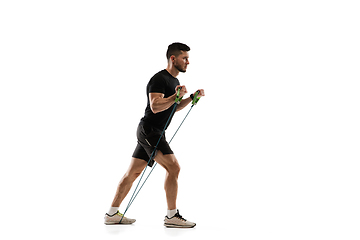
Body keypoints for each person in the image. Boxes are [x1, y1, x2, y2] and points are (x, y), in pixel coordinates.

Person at [104, 43, 205, 228]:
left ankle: (111, 213)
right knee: (174, 168)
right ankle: (171, 216)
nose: (188, 62)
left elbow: (173, 107)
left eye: (188, 58)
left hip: (154, 131)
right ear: (173, 59)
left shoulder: (174, 82)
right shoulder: (159, 79)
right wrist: (174, 97)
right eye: (185, 58)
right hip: (149, 130)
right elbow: (156, 105)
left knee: (133, 173)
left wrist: (190, 98)